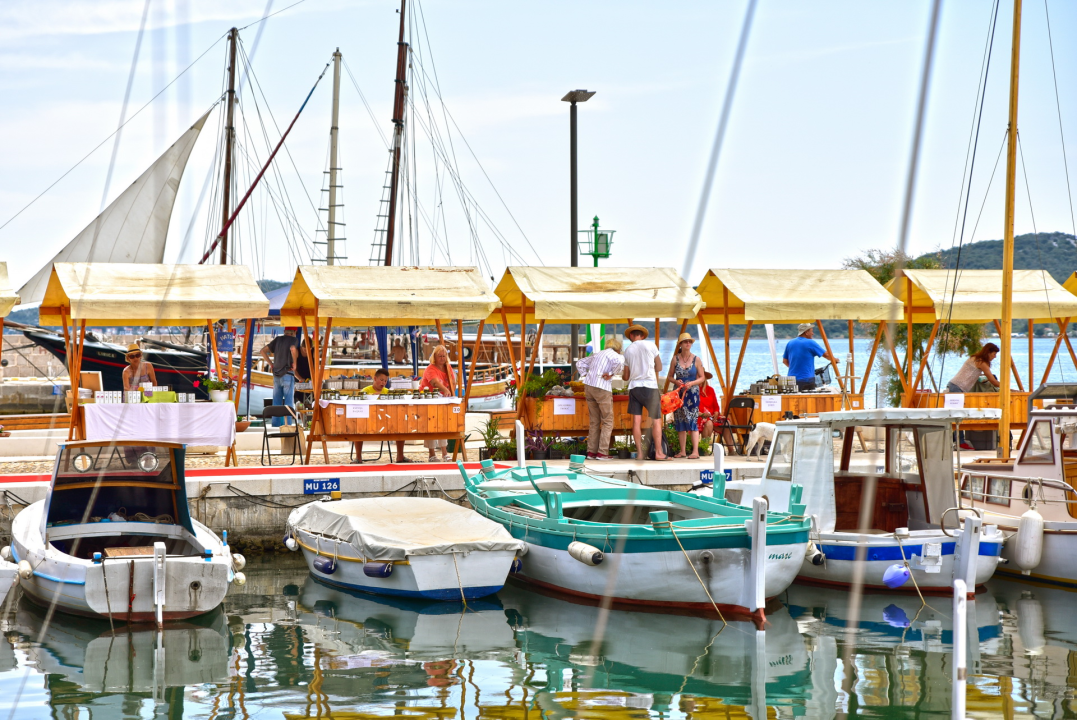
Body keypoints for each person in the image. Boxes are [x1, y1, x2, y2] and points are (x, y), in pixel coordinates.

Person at [622, 325, 668, 461]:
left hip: (635, 387)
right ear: (642, 335)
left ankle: (640, 454)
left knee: (636, 422)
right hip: (650, 386)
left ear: (631, 336)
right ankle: (659, 453)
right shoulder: (651, 345)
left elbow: (625, 376)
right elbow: (659, 367)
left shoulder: (628, 350)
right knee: (656, 421)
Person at [576, 337, 625, 460]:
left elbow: (579, 363)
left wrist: (584, 374)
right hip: (602, 387)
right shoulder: (615, 355)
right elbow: (620, 362)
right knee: (608, 420)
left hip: (589, 386)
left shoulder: (597, 354)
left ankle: (591, 452)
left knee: (594, 421)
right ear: (618, 348)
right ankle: (602, 452)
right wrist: (611, 374)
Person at [353, 368, 409, 463]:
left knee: (401, 425)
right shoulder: (365, 391)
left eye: (385, 381)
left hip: (386, 420)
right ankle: (358, 457)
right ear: (375, 379)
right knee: (359, 427)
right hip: (369, 420)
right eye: (381, 380)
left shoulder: (388, 392)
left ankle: (400, 456)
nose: (383, 383)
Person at [670, 333, 707, 459]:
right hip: (679, 392)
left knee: (692, 419)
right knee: (680, 420)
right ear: (680, 344)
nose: (688, 344)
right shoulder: (675, 358)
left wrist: (692, 383)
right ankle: (682, 451)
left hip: (692, 393)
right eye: (685, 342)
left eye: (689, 342)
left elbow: (702, 377)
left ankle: (695, 451)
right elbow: (670, 376)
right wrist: (676, 381)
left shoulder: (696, 359)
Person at [420, 344, 454, 461]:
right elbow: (434, 382)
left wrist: (452, 391)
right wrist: (445, 389)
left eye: (444, 356)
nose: (442, 358)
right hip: (428, 399)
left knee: (442, 425)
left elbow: (453, 381)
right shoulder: (430, 368)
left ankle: (445, 453)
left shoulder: (448, 367)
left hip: (443, 400)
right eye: (440, 356)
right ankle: (432, 454)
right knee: (431, 426)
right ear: (435, 356)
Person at [260, 328, 300, 427]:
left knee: (276, 401)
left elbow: (262, 351)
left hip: (276, 375)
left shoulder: (277, 340)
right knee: (288, 402)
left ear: (285, 331)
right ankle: (288, 426)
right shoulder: (294, 340)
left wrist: (271, 364)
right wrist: (295, 363)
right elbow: (293, 349)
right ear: (294, 332)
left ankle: (275, 425)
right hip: (288, 373)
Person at [783, 323, 827, 391]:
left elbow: (785, 361)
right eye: (811, 331)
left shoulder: (790, 343)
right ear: (806, 332)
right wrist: (835, 359)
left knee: (793, 400)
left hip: (791, 379)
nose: (813, 333)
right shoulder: (810, 342)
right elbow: (826, 355)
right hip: (806, 379)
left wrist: (796, 368)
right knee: (808, 401)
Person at [697, 371, 720, 444]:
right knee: (709, 423)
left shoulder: (710, 390)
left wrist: (716, 412)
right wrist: (702, 414)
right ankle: (704, 447)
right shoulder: (693, 390)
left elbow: (716, 406)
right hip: (699, 416)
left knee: (726, 423)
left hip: (711, 416)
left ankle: (731, 450)